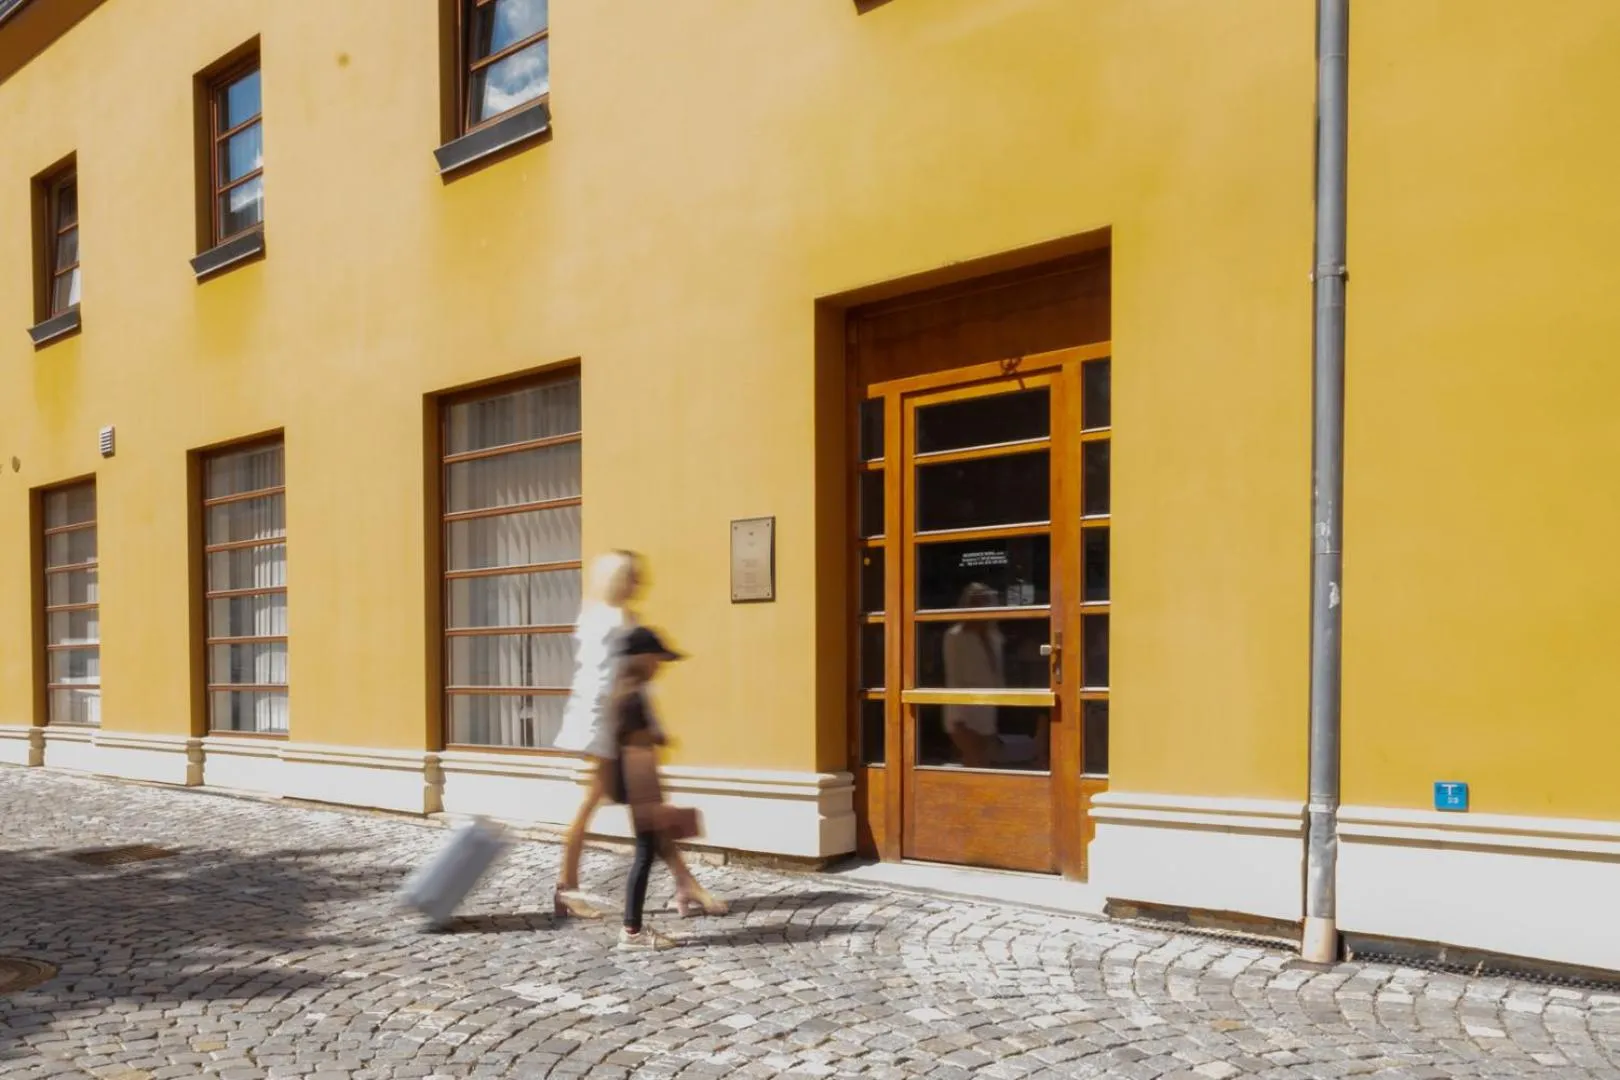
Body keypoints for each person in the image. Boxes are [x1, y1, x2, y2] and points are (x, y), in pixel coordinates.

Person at [551, 550, 725, 919]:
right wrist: (616, 736)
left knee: (641, 808)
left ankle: (684, 882)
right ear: (619, 580)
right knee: (627, 809)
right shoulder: (610, 621)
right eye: (633, 576)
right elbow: (603, 683)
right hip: (612, 732)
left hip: (614, 729)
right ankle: (568, 888)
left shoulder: (607, 616)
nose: (639, 583)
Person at [610, 625, 692, 950]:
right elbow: (635, 750)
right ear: (642, 658)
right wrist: (649, 801)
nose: (660, 665)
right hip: (641, 783)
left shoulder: (629, 691)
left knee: (649, 851)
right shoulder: (632, 698)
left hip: (641, 783)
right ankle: (632, 931)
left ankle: (681, 891)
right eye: (657, 658)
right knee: (644, 854)